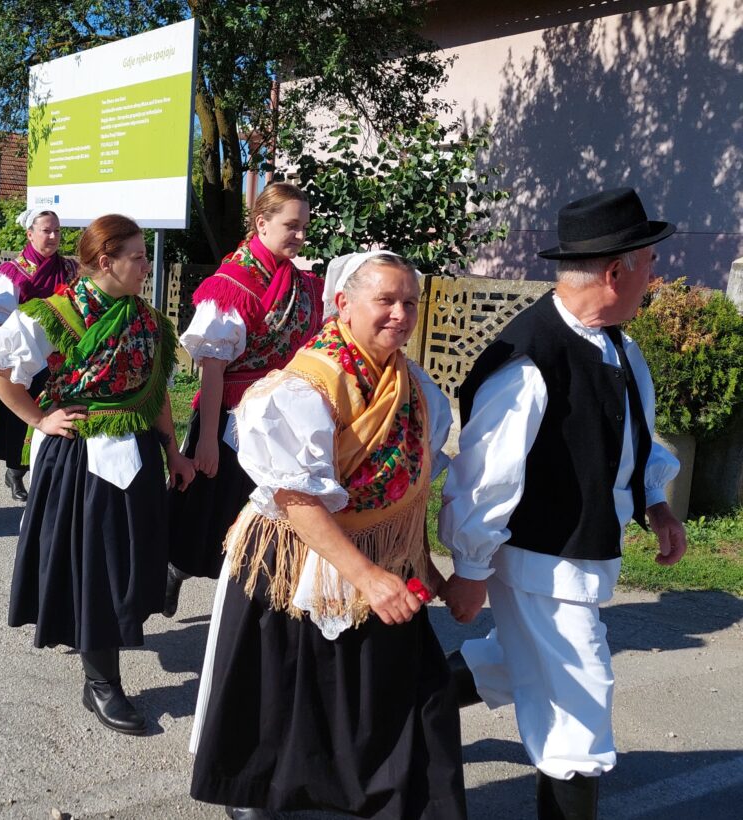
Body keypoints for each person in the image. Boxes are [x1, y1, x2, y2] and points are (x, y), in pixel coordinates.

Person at [439, 187, 687, 820]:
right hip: (541, 560)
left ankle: (407, 700)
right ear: (615, 273)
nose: (654, 274)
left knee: (515, 659)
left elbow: (632, 436)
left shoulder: (618, 345)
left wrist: (655, 501)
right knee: (578, 707)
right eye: (648, 261)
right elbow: (485, 476)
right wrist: (471, 568)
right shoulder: (530, 359)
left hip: (578, 553)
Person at [189, 251, 465, 819]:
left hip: (380, 556)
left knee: (397, 696)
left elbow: (410, 487)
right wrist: (368, 577)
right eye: (385, 300)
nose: (400, 314)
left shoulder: (414, 386)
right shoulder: (306, 385)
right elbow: (297, 499)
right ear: (343, 304)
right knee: (280, 692)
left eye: (409, 302)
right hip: (295, 555)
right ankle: (257, 795)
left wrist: (421, 565)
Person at [0, 214, 195, 736]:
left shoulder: (147, 320)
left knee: (130, 560)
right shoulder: (56, 314)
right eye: (137, 257)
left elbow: (156, 390)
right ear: (105, 262)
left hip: (136, 453)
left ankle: (108, 655)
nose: (146, 266)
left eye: (145, 256)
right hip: (79, 458)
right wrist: (38, 419)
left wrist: (173, 452)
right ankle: (101, 683)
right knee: (96, 569)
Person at [164, 181, 323, 618]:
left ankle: (253, 600)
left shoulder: (301, 284)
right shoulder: (232, 285)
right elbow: (213, 367)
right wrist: (207, 441)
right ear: (262, 223)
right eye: (291, 226)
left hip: (280, 418)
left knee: (266, 511)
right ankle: (175, 569)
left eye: (304, 228)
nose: (300, 236)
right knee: (208, 511)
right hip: (230, 416)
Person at [0, 207, 78, 501]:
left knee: (59, 409)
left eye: (57, 231)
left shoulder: (70, 269)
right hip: (24, 353)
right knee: (22, 412)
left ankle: (52, 470)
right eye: (46, 230)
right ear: (30, 233)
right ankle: (15, 470)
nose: (53, 236)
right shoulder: (14, 272)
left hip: (61, 354)